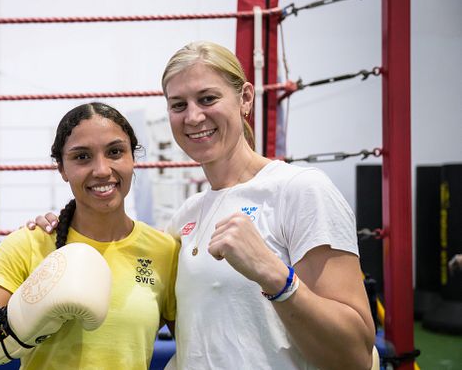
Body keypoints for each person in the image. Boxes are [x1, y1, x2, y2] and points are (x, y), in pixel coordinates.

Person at [28, 42, 376, 369]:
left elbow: (356, 357)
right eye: (179, 105)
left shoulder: (299, 191)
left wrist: (276, 277)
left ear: (246, 98)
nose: (193, 117)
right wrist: (67, 229)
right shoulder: (185, 219)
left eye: (207, 99)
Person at [0, 102, 178, 370]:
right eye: (82, 157)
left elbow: (197, 346)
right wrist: (16, 325)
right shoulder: (30, 243)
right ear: (62, 168)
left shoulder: (164, 251)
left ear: (132, 158)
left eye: (115, 152)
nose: (101, 169)